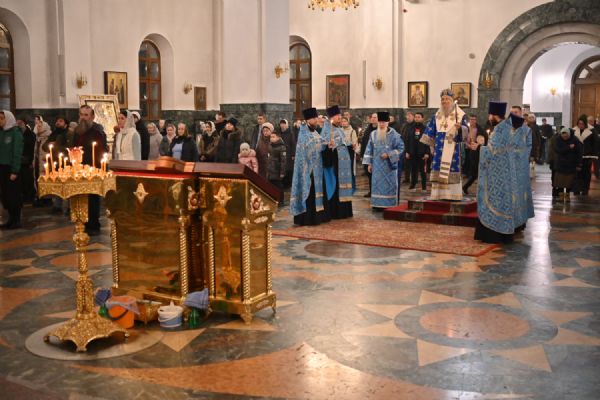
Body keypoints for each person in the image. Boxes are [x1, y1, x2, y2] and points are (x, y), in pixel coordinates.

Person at [475, 101, 516, 244]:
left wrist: (479, 147)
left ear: (494, 115)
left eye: (490, 115)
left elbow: (491, 153)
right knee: (503, 201)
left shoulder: (498, 131)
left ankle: (493, 234)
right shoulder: (508, 128)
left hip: (495, 175)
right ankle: (504, 234)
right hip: (505, 172)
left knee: (495, 200)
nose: (488, 117)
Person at [420, 89, 468, 200]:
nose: (444, 101)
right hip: (438, 149)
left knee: (451, 167)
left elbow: (466, 130)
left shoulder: (460, 115)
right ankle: (438, 195)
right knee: (438, 167)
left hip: (453, 148)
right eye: (442, 99)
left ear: (452, 101)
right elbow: (430, 132)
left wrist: (460, 128)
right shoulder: (437, 115)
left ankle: (453, 195)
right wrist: (431, 146)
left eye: (447, 99)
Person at [290, 107, 330, 226]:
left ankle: (319, 216)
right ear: (308, 120)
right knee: (310, 193)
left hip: (318, 168)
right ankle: (308, 218)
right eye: (314, 118)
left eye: (316, 118)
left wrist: (327, 144)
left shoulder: (315, 132)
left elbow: (320, 144)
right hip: (308, 169)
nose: (316, 120)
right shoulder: (303, 134)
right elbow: (305, 152)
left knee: (319, 191)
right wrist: (320, 146)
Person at [74, 105, 108, 236]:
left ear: (92, 117)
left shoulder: (97, 132)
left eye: (86, 115)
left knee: (93, 198)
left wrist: (98, 169)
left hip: (93, 169)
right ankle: (82, 223)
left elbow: (101, 151)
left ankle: (94, 224)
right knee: (80, 197)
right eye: (81, 114)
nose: (83, 118)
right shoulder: (77, 131)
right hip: (79, 168)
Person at [362, 111, 404, 209]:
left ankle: (389, 205)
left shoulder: (395, 135)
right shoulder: (373, 134)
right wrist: (369, 164)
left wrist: (389, 154)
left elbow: (401, 148)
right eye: (380, 122)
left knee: (389, 185)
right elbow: (369, 149)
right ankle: (377, 204)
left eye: (383, 122)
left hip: (389, 167)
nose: (381, 124)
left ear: (387, 123)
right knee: (377, 185)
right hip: (377, 167)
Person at [321, 105, 353, 219]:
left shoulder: (340, 129)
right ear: (331, 118)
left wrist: (351, 146)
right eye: (337, 116)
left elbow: (344, 144)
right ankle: (336, 212)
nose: (340, 117)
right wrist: (329, 147)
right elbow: (323, 147)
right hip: (335, 164)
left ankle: (345, 211)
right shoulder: (326, 130)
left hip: (344, 164)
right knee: (336, 186)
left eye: (340, 115)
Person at [0, 110, 24, 229]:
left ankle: (16, 220)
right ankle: (10, 219)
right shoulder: (2, 132)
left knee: (13, 195)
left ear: (8, 118)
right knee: (5, 195)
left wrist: (15, 170)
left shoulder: (15, 133)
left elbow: (17, 152)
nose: (0, 121)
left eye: (2, 118)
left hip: (12, 168)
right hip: (2, 167)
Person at [43, 116, 70, 213]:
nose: (58, 122)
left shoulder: (68, 133)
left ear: (66, 123)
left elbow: (69, 147)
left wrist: (55, 146)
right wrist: (52, 145)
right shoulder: (54, 133)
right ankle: (57, 205)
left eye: (61, 121)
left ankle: (69, 206)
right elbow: (44, 146)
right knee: (57, 184)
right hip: (54, 162)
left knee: (67, 184)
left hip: (65, 162)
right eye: (57, 121)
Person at [554, 127, 583, 202]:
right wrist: (568, 147)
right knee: (560, 182)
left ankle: (567, 196)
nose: (564, 137)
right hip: (560, 164)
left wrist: (579, 164)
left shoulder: (575, 139)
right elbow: (558, 150)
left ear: (569, 134)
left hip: (571, 164)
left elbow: (579, 152)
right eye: (563, 135)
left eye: (566, 136)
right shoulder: (558, 139)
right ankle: (561, 196)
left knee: (569, 182)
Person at [462, 115, 488, 195]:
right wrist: (468, 145)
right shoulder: (466, 129)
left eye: (474, 119)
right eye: (471, 119)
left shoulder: (479, 129)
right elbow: (464, 140)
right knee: (474, 172)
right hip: (468, 151)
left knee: (476, 172)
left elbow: (483, 139)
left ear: (476, 120)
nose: (472, 121)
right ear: (469, 120)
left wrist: (478, 145)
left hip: (477, 152)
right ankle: (466, 186)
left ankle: (466, 186)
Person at [572, 115, 597, 195]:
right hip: (576, 156)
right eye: (579, 123)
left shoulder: (592, 131)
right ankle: (576, 189)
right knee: (577, 173)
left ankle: (585, 189)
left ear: (585, 124)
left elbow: (595, 144)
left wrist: (594, 155)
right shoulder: (574, 130)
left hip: (587, 155)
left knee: (586, 173)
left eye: (582, 124)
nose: (581, 125)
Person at [406, 112, 431, 192]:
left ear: (422, 118)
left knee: (423, 171)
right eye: (416, 117)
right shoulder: (410, 128)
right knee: (413, 170)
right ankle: (413, 185)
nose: (417, 118)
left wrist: (427, 152)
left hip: (422, 152)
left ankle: (424, 187)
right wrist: (407, 151)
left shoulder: (426, 129)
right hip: (412, 152)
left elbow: (428, 142)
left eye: (419, 117)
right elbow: (407, 140)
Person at [32, 116, 52, 206]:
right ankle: (40, 196)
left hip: (45, 163)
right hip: (37, 162)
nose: (38, 127)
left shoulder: (48, 137)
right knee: (38, 178)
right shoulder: (38, 138)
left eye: (40, 126)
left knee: (45, 179)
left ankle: (47, 198)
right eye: (37, 126)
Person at [16, 118, 36, 204]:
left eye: (20, 123)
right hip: (18, 160)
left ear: (25, 123)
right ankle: (23, 196)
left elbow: (32, 148)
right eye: (17, 123)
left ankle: (29, 197)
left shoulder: (31, 134)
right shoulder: (17, 133)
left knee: (28, 179)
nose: (19, 124)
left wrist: (31, 160)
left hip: (27, 160)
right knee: (21, 180)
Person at [360, 112, 378, 197]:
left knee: (376, 176)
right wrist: (362, 154)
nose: (373, 119)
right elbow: (364, 142)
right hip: (367, 156)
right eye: (372, 117)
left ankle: (377, 192)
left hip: (376, 157)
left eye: (375, 117)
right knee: (369, 175)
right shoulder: (368, 129)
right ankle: (371, 191)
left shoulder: (380, 130)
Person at [266, 130, 287, 202]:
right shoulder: (270, 145)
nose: (271, 138)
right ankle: (273, 200)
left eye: (273, 137)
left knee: (278, 186)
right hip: (270, 170)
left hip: (277, 170)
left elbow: (283, 161)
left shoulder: (281, 147)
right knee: (270, 186)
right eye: (271, 137)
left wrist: (282, 172)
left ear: (278, 138)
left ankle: (281, 200)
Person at [341, 116, 358, 187]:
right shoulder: (339, 131)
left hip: (349, 151)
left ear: (348, 122)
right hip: (341, 152)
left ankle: (351, 185)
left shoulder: (352, 131)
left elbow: (355, 142)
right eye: (342, 121)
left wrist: (354, 145)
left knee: (350, 168)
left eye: (345, 121)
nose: (343, 123)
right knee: (342, 168)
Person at [279, 119, 296, 187]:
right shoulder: (279, 133)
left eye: (284, 124)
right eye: (281, 124)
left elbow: (293, 144)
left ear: (286, 125)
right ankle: (282, 183)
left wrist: (293, 154)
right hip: (281, 153)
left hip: (289, 153)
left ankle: (288, 184)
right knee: (282, 168)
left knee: (288, 169)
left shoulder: (290, 133)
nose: (282, 125)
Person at [400, 112, 415, 184]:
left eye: (410, 116)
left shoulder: (415, 126)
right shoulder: (404, 125)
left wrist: (408, 151)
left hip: (412, 148)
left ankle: (414, 179)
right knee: (406, 165)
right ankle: (407, 178)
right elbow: (401, 135)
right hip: (404, 147)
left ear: (413, 117)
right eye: (407, 116)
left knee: (413, 165)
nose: (408, 117)